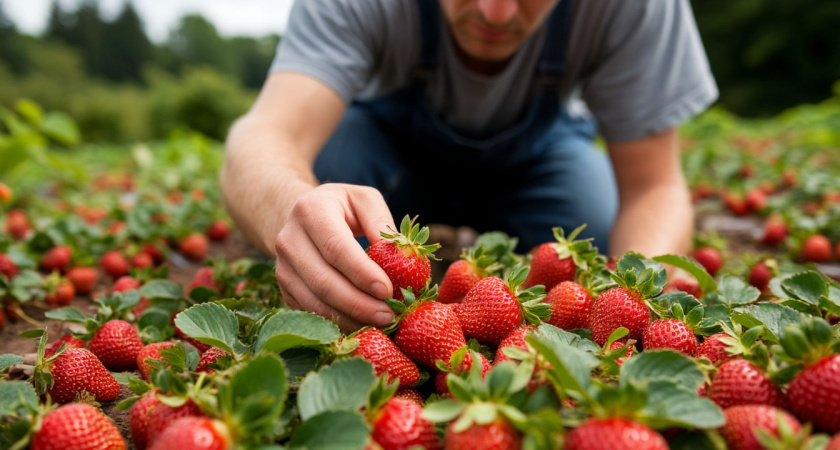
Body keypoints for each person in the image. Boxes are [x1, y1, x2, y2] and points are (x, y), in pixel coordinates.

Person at [221, 0, 718, 331]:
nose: (495, 12)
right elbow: (264, 134)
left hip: (538, 160)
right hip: (388, 153)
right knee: (331, 179)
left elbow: (655, 187)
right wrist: (291, 207)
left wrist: (636, 302)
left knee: (595, 223)